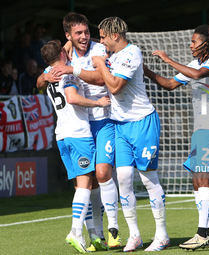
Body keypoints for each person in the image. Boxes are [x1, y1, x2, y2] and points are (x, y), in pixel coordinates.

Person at [143, 20, 209, 250]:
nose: (190, 45)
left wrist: (168, 59)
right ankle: (208, 232)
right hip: (201, 128)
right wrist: (144, 70)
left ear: (207, 43)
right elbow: (168, 84)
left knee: (202, 177)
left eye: (194, 41)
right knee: (197, 179)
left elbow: (196, 74)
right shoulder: (194, 63)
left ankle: (203, 233)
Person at [37, 12, 121, 251]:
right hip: (80, 129)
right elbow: (67, 94)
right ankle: (84, 233)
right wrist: (47, 75)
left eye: (86, 32)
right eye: (78, 34)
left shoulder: (96, 50)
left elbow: (99, 79)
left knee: (100, 177)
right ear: (68, 37)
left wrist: (62, 71)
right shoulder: (63, 64)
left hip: (77, 129)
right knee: (85, 184)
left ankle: (105, 232)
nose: (84, 37)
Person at [92, 16, 170, 252]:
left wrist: (100, 63)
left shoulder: (132, 52)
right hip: (120, 125)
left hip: (142, 123)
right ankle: (134, 235)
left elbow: (115, 87)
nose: (102, 41)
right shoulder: (111, 56)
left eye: (104, 36)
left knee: (148, 179)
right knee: (123, 179)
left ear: (115, 35)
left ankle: (162, 235)